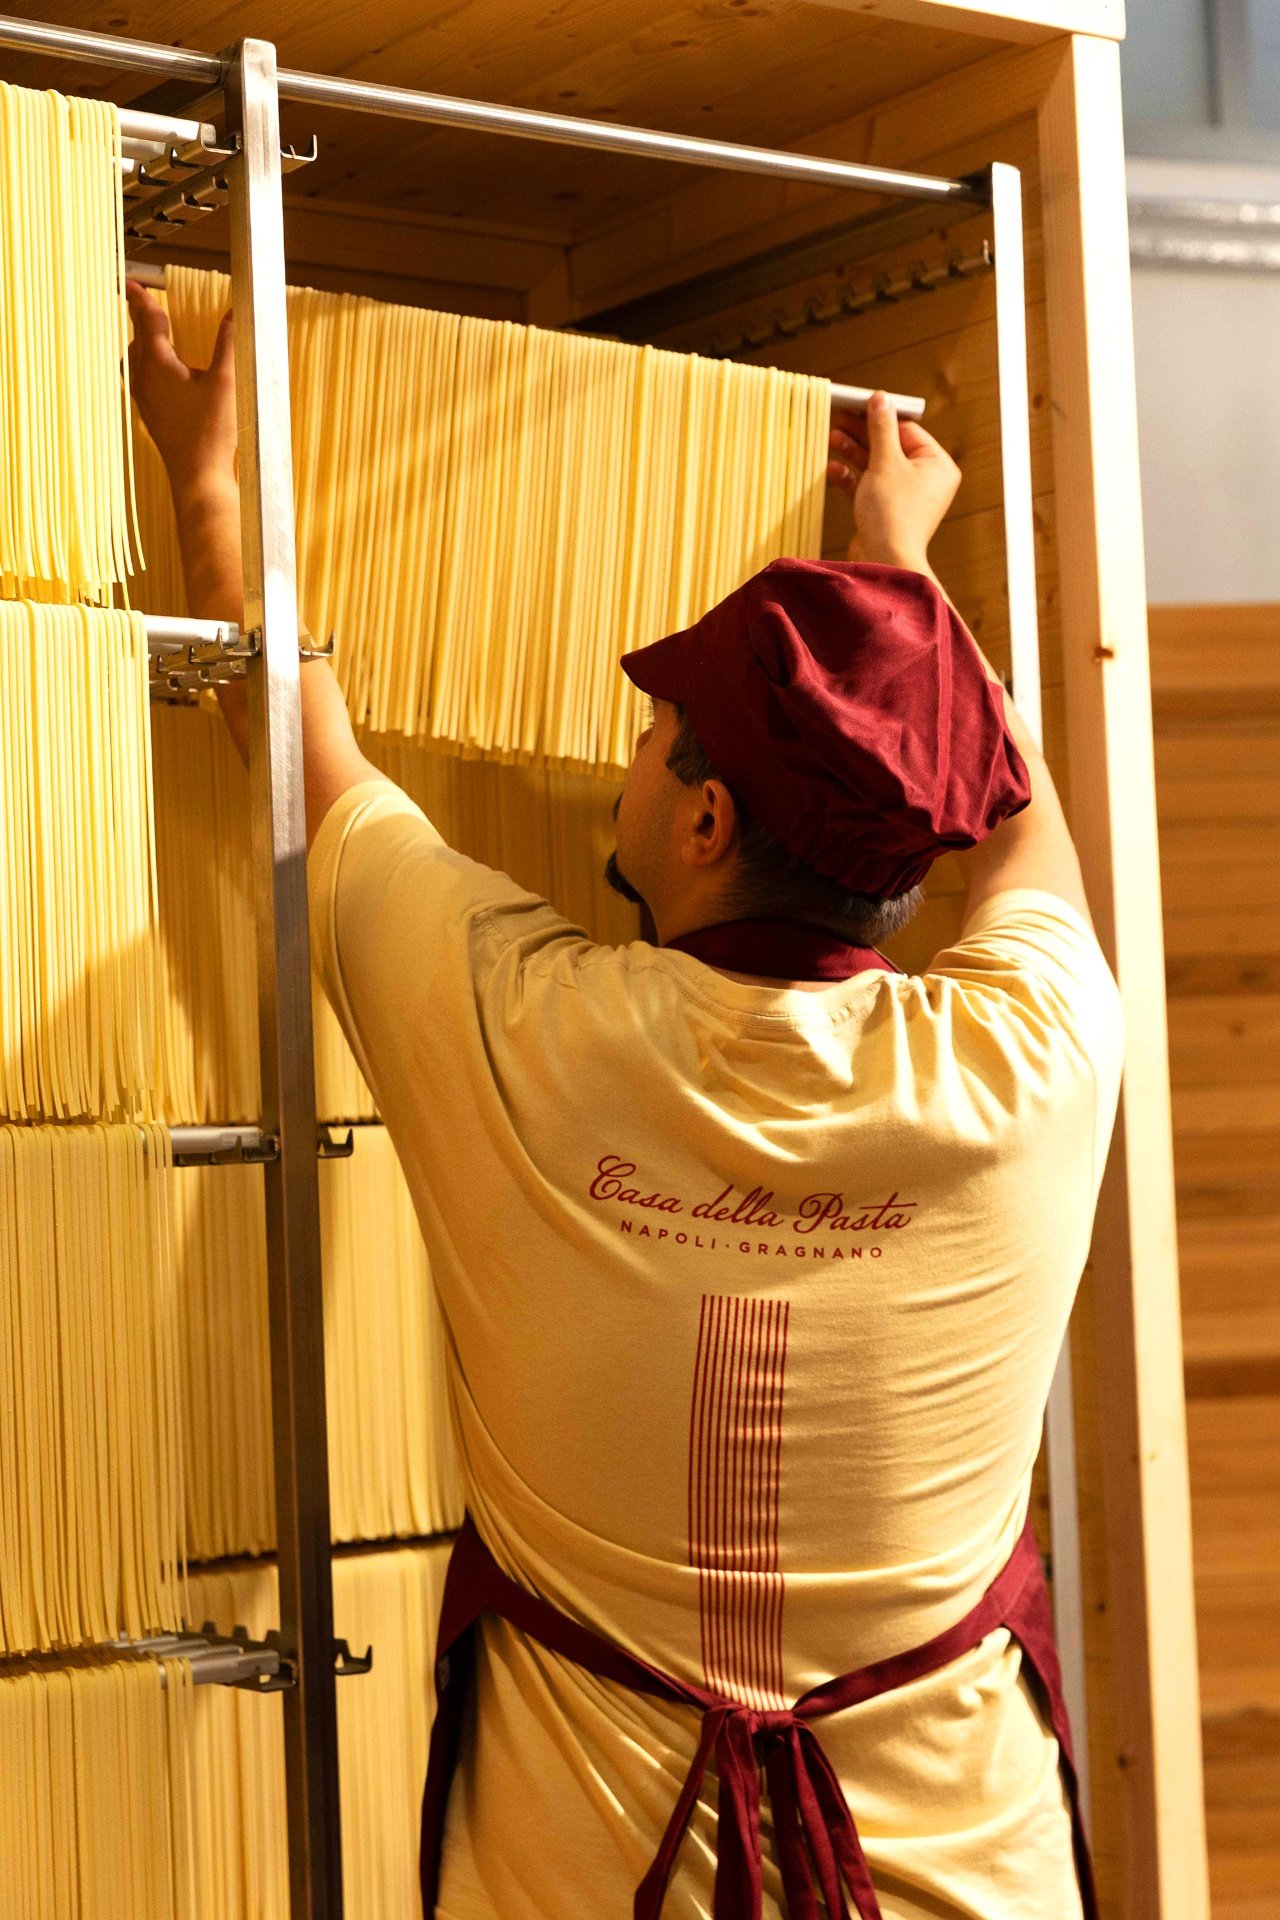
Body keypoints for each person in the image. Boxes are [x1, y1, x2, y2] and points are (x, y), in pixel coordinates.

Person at [127, 279, 1123, 1920]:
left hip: (595, 1876)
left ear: (708, 822)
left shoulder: (530, 1028)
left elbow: (300, 756)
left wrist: (213, 486)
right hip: (969, 1878)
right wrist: (897, 577)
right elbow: (1018, 823)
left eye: (661, 733)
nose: (635, 748)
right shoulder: (1036, 1060)